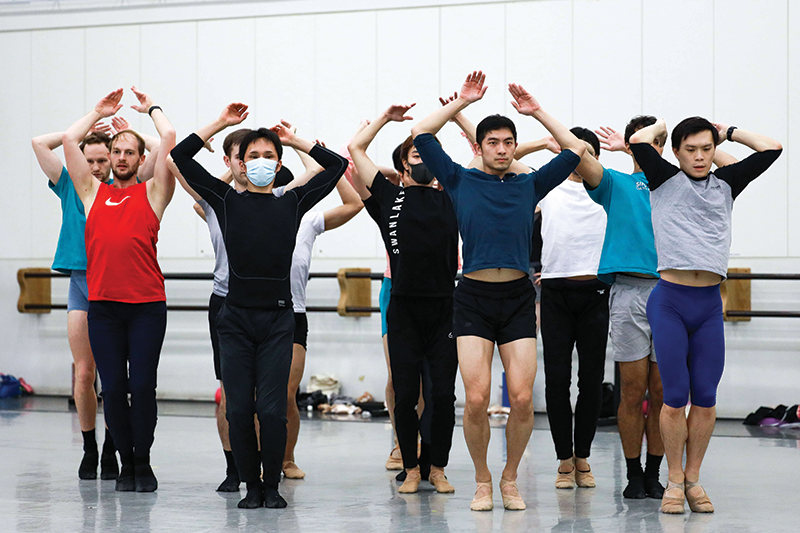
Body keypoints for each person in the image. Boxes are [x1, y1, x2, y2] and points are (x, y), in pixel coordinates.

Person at [411, 71, 586, 511]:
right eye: (493, 142)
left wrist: (536, 111)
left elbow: (574, 150)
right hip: (472, 297)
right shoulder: (458, 180)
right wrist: (462, 104)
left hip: (518, 299)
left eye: (509, 141)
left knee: (524, 398)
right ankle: (483, 480)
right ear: (481, 147)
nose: (503, 149)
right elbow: (420, 132)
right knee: (475, 397)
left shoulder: (529, 184)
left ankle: (510, 478)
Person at [171, 103, 347, 509]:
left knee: (271, 410)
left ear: (280, 162)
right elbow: (179, 157)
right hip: (234, 319)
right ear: (241, 165)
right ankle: (250, 486)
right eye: (254, 156)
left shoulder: (293, 202)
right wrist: (222, 123)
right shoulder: (225, 200)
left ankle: (272, 486)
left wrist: (296, 139)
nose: (262, 162)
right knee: (238, 409)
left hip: (278, 319)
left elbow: (336, 166)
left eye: (269, 156)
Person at [629, 117, 782, 513]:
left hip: (709, 305)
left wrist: (728, 131)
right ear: (676, 151)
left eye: (706, 149)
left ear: (714, 152)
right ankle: (674, 482)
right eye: (691, 149)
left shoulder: (727, 184)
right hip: (670, 301)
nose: (699, 157)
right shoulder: (663, 179)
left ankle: (693, 478)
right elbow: (638, 140)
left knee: (707, 398)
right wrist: (662, 124)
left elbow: (771, 148)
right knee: (674, 395)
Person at [62, 87, 176, 493]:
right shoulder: (93, 195)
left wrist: (150, 112)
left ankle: (142, 461)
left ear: (141, 159)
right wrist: (97, 112)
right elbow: (68, 141)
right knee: (111, 388)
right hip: (104, 309)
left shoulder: (154, 192)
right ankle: (125, 464)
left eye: (131, 152)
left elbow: (169, 139)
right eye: (118, 152)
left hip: (146, 308)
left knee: (142, 387)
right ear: (109, 159)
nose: (123, 157)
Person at [350, 103, 459, 494]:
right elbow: (356, 149)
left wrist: (457, 112)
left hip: (445, 308)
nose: (423, 157)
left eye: (428, 152)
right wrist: (384, 118)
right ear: (403, 164)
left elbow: (489, 157)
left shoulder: (455, 195)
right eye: (416, 152)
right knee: (406, 391)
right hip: (405, 308)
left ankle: (437, 467)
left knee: (442, 394)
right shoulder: (387, 196)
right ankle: (411, 468)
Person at [538, 127, 609, 490]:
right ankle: (564, 458)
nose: (581, 159)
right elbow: (506, 159)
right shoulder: (548, 187)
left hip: (595, 293)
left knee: (591, 381)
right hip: (555, 293)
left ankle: (583, 455)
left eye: (587, 153)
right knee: (557, 379)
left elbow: (643, 179)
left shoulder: (607, 191)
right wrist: (547, 143)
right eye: (574, 153)